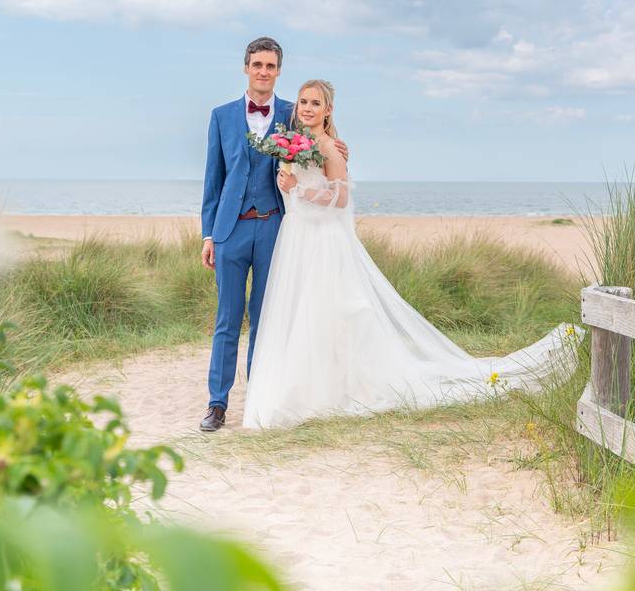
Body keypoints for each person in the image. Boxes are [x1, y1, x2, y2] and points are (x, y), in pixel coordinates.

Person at [241, 79, 580, 429]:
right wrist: (288, 181)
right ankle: (305, 385)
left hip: (323, 241)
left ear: (328, 111)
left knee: (329, 311)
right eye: (302, 102)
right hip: (296, 235)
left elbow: (340, 200)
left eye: (315, 103)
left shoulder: (329, 148)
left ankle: (332, 388)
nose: (307, 108)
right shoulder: (294, 144)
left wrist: (299, 189)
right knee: (301, 312)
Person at [198, 38, 348, 432]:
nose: (263, 71)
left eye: (270, 65)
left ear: (279, 70)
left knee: (268, 321)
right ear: (246, 67)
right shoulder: (221, 116)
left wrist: (338, 148)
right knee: (227, 319)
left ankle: (259, 402)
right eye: (257, 64)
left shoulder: (292, 112)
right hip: (230, 230)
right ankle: (217, 404)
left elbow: (321, 139)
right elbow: (213, 180)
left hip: (274, 230)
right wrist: (208, 235)